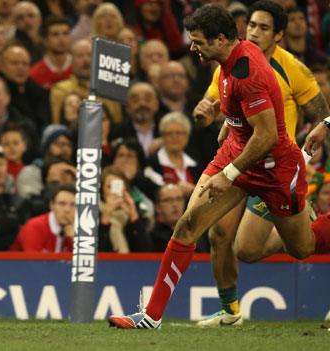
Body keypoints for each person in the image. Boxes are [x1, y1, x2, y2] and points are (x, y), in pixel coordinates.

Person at [108, 4, 330, 330]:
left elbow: (267, 135)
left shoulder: (248, 73)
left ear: (222, 39)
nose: (193, 47)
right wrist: (230, 120)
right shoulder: (230, 59)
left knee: (301, 247)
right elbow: (243, 112)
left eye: (198, 42)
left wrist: (229, 174)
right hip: (236, 154)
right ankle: (151, 317)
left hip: (274, 168)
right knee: (188, 225)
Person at [194, 0, 330, 327]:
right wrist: (206, 111)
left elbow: (322, 111)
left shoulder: (292, 68)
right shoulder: (230, 62)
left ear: (279, 35)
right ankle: (230, 313)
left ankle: (301, 222)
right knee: (218, 234)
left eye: (264, 28)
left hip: (274, 169)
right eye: (251, 25)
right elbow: (214, 99)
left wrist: (324, 126)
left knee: (249, 250)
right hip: (238, 162)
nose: (254, 32)